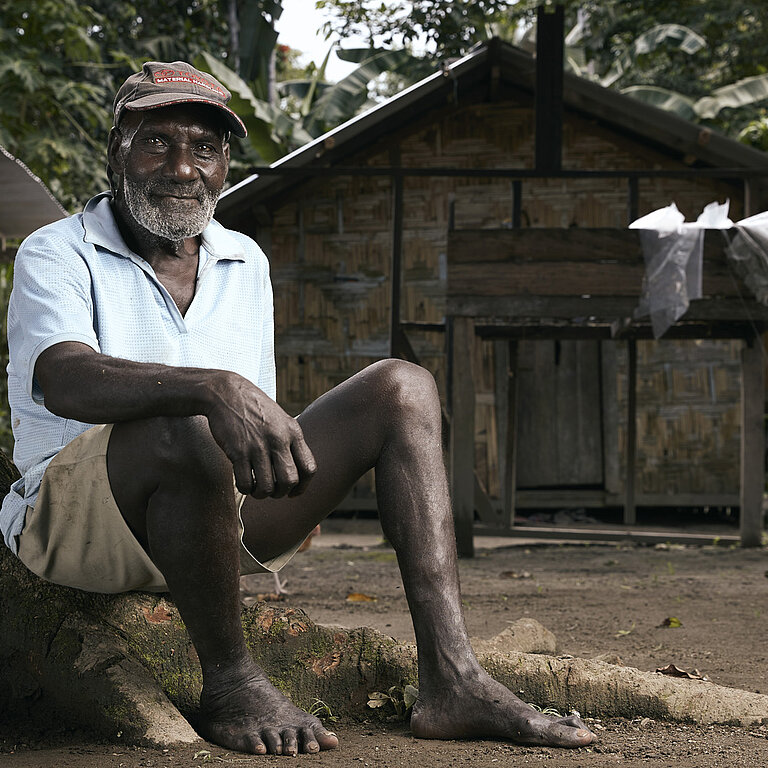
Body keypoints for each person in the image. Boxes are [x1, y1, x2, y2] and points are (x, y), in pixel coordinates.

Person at [1, 61, 595, 756]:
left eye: (205, 148)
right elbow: (65, 378)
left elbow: (250, 430)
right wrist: (210, 387)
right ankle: (230, 681)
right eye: (156, 142)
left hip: (211, 516)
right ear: (117, 151)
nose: (183, 167)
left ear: (225, 164)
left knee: (403, 385)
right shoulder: (59, 250)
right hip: (74, 524)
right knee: (185, 419)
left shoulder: (243, 261)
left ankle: (452, 678)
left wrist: (289, 472)